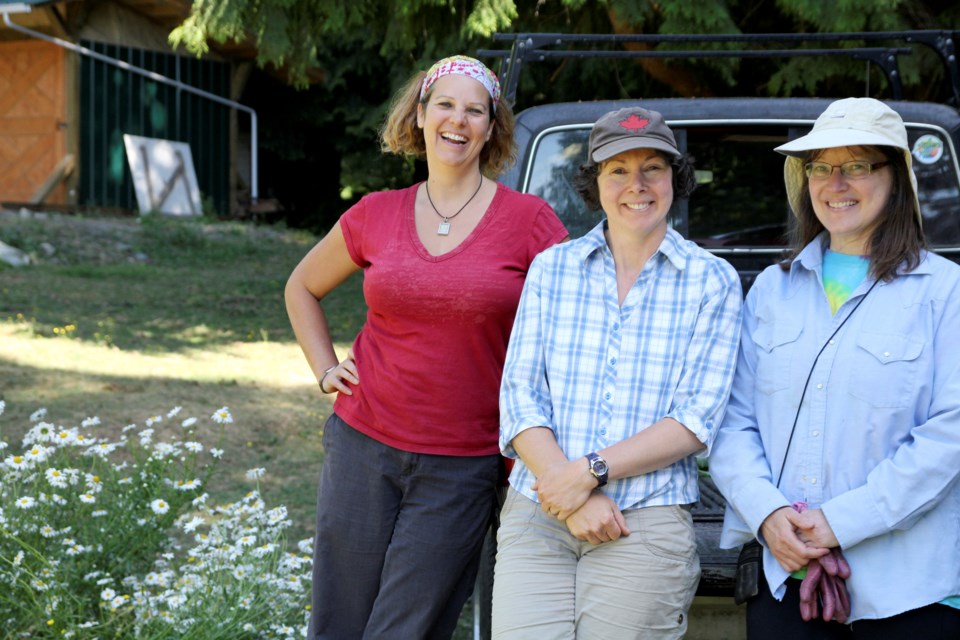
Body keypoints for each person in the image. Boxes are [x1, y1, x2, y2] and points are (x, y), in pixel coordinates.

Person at [284, 55, 568, 639]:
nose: (457, 121)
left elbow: (570, 330)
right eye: (444, 104)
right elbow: (301, 286)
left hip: (464, 461)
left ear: (492, 128)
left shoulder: (531, 222)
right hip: (362, 445)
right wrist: (324, 368)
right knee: (338, 621)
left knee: (408, 627)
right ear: (419, 115)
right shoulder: (376, 212)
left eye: (474, 110)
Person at [710, 97, 960, 639]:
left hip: (911, 588)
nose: (835, 182)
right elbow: (731, 421)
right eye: (821, 167)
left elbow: (950, 435)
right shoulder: (773, 290)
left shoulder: (945, 291)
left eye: (857, 165)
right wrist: (768, 513)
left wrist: (840, 523)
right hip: (786, 576)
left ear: (895, 178)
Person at [492, 107, 743, 639]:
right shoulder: (551, 268)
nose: (637, 185)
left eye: (653, 167)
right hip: (541, 509)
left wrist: (588, 474)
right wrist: (570, 492)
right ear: (595, 182)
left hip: (645, 516)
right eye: (618, 170)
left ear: (676, 177)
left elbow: (696, 419)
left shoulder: (711, 281)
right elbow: (519, 395)